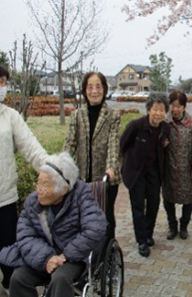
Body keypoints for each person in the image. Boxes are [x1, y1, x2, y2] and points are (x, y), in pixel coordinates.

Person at [0, 152, 107, 297]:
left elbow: (96, 228)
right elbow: (25, 236)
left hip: (73, 256)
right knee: (18, 278)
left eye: (44, 185)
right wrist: (47, 258)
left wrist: (66, 255)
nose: (38, 190)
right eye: (38, 182)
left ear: (63, 190)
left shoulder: (82, 195)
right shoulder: (33, 202)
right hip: (43, 254)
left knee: (60, 278)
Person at [0, 64, 48, 295]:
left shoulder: (11, 117)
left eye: (2, 81)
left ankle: (12, 288)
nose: (0, 86)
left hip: (5, 199)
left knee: (9, 258)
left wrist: (53, 171)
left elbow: (32, 149)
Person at [64, 71, 121, 239]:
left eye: (98, 86)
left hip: (105, 179)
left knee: (105, 216)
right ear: (84, 90)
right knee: (82, 218)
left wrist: (111, 168)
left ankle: (107, 254)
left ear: (104, 89)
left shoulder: (113, 116)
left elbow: (113, 145)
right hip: (82, 178)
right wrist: (62, 167)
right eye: (90, 87)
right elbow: (70, 143)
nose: (94, 91)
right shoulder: (77, 115)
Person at [120, 92, 170, 258]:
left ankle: (148, 233)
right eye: (155, 109)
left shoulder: (165, 128)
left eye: (162, 110)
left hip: (154, 171)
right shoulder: (136, 126)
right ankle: (142, 240)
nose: (158, 113)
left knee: (154, 204)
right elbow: (122, 145)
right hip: (136, 172)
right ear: (149, 109)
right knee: (138, 206)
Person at [163, 90, 192, 240]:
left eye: (179, 106)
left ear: (184, 107)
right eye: (173, 106)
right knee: (168, 198)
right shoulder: (165, 123)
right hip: (169, 169)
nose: (175, 109)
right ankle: (172, 226)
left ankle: (184, 226)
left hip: (186, 168)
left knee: (188, 198)